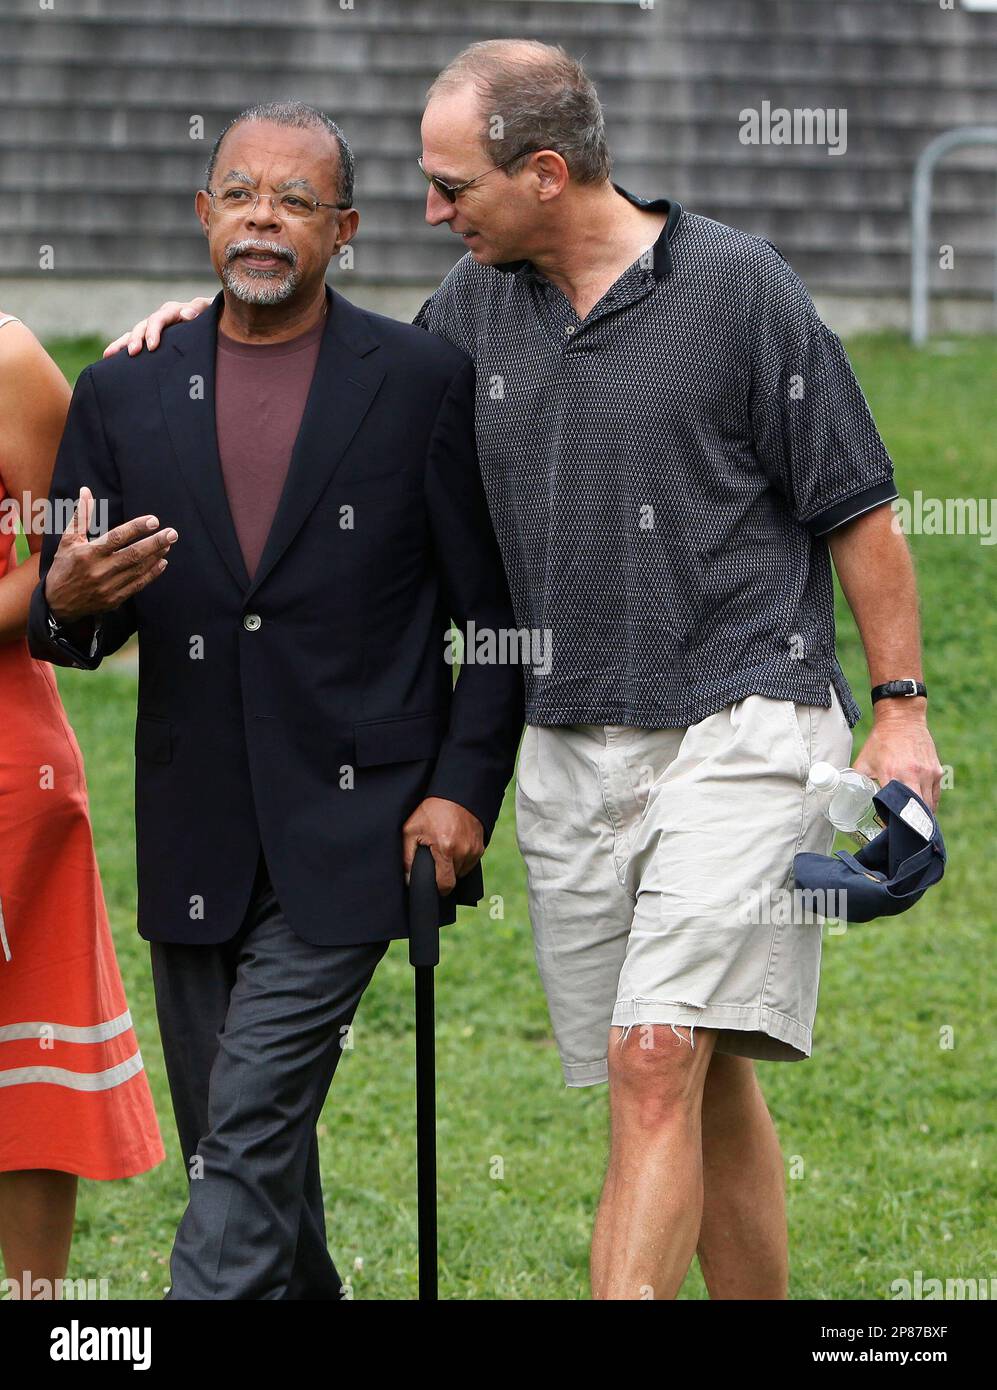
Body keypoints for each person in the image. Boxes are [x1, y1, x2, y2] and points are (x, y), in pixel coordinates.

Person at [106, 43, 944, 1302]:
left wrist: (898, 713)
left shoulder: (736, 288)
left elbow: (859, 510)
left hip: (742, 715)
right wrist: (202, 337)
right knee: (688, 1071)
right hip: (567, 740)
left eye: (453, 187)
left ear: (543, 173)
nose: (434, 212)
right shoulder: (467, 312)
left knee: (656, 1054)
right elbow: (337, 365)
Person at [29, 101, 523, 1301]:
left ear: (343, 228)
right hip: (194, 829)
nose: (263, 217)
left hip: (359, 827)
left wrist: (461, 795)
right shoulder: (121, 391)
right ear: (204, 216)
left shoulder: (416, 383)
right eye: (240, 192)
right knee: (244, 1150)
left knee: (243, 1136)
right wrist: (73, 595)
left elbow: (493, 625)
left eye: (295, 200)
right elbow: (65, 621)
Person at [0, 311, 164, 1300]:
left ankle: (39, 1309)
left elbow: (82, 544)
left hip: (9, 753)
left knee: (26, 1044)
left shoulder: (5, 357)